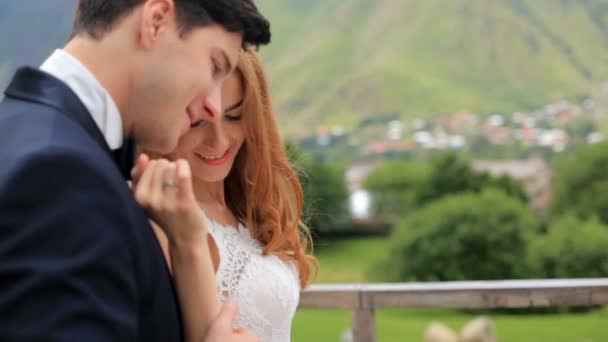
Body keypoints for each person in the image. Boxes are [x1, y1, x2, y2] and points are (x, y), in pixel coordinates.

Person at [0, 1, 270, 340]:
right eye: (214, 65)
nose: (213, 107)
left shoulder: (37, 138)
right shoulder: (57, 173)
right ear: (157, 20)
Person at [133, 49, 318, 342]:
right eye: (196, 123)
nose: (218, 140)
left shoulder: (243, 203)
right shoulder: (168, 223)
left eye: (234, 116)